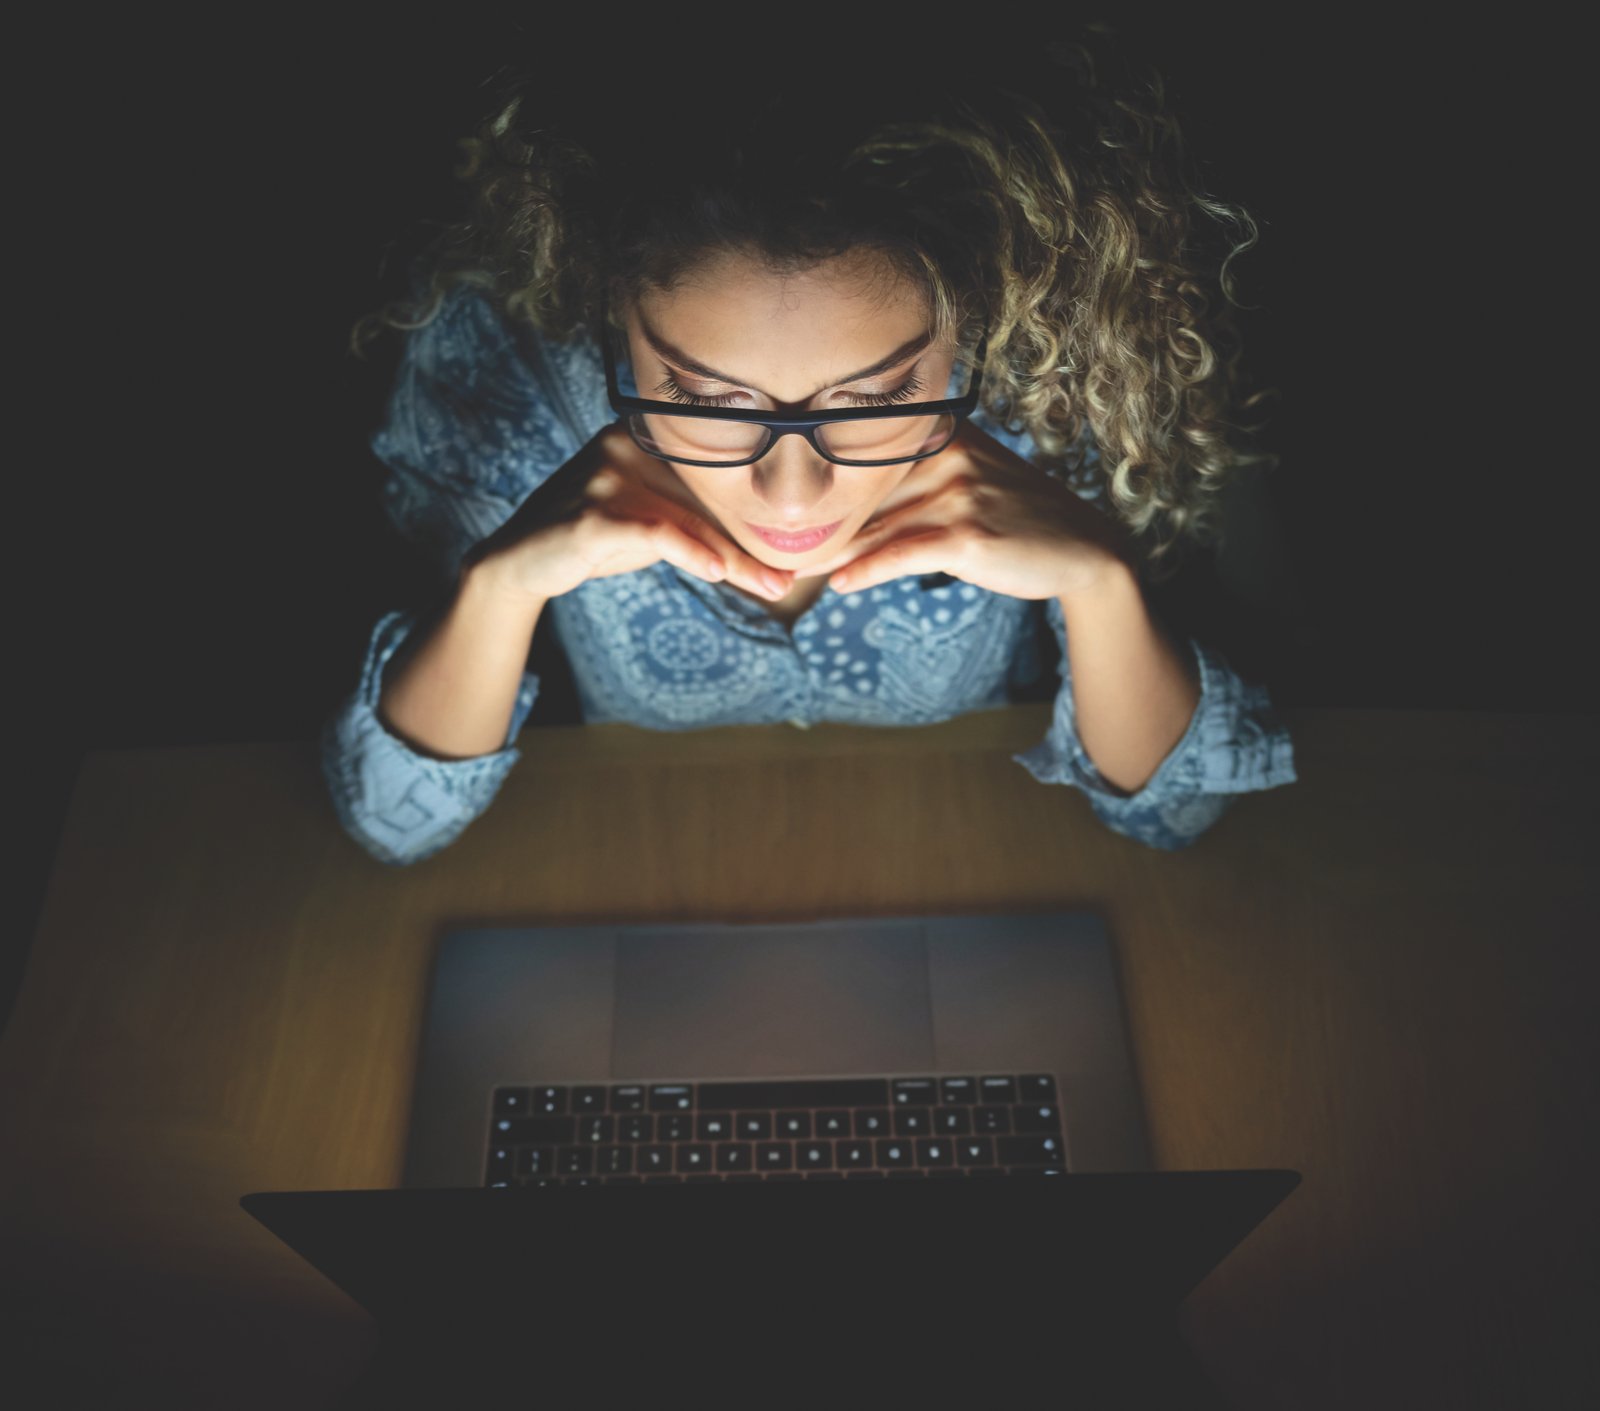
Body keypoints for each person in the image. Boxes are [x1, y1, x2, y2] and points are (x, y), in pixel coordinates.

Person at [321, 27, 1297, 868]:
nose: (792, 494)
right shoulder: (505, 367)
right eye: (704, 397)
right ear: (608, 322)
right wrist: (500, 587)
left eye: (878, 397)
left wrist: (1099, 585)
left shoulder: (1051, 380)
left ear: (975, 329)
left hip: (978, 872)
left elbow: (1176, 813)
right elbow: (393, 822)